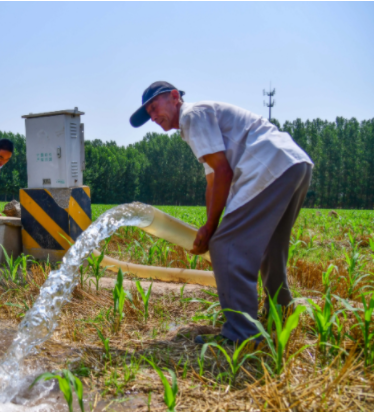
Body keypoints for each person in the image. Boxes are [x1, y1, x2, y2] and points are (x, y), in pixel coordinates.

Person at [130, 81, 313, 344]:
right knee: (271, 248)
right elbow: (213, 180)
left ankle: (241, 335)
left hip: (268, 167)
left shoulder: (192, 116)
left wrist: (212, 231)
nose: (153, 116)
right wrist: (209, 226)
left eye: (154, 107)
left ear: (174, 97)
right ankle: (280, 317)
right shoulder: (197, 121)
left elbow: (223, 172)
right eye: (148, 113)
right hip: (294, 163)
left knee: (226, 246)